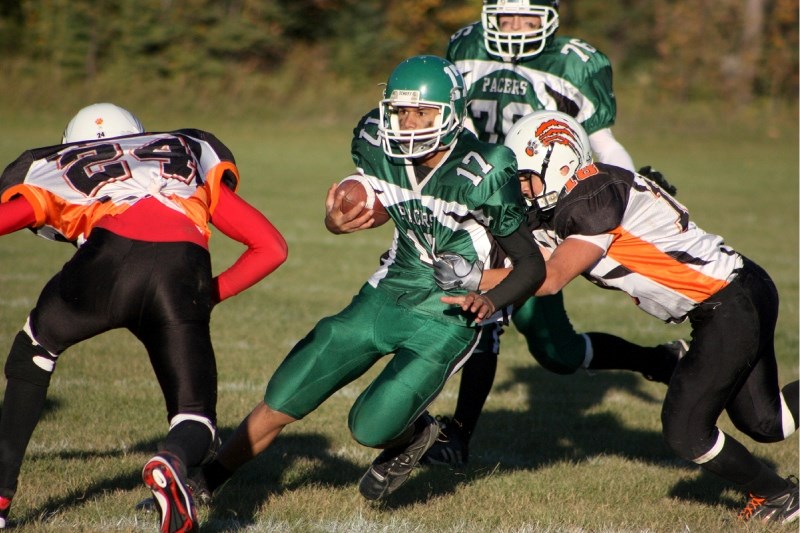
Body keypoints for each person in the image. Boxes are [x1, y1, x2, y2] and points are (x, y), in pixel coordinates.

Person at [172, 55, 545, 508]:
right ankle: (205, 480)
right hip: (388, 290)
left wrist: (491, 298)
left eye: (422, 114)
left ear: (451, 113)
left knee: (370, 426)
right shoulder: (376, 143)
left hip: (446, 313)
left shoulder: (485, 167)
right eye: (401, 112)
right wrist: (336, 221)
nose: (408, 125)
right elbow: (385, 203)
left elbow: (531, 264)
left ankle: (417, 434)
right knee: (291, 384)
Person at [442, 110, 799, 524]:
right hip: (733, 295)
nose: (521, 190)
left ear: (559, 164)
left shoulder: (592, 198)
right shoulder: (574, 197)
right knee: (768, 422)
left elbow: (549, 277)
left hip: (730, 300)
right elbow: (526, 254)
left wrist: (472, 276)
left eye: (525, 178)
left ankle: (778, 494)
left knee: (686, 432)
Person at [0, 103, 288, 533]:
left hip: (108, 261)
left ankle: (1, 498)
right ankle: (171, 460)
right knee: (197, 421)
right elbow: (272, 247)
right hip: (182, 269)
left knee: (35, 350)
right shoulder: (185, 152)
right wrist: (205, 296)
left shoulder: (61, 165)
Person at [422, 0, 684, 467]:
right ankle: (457, 435)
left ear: (550, 16)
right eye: (507, 16)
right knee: (482, 317)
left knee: (555, 351)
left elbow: (601, 142)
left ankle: (657, 362)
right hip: (481, 199)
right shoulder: (464, 47)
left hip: (542, 211)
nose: (516, 27)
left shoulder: (574, 63)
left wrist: (626, 188)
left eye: (528, 16)